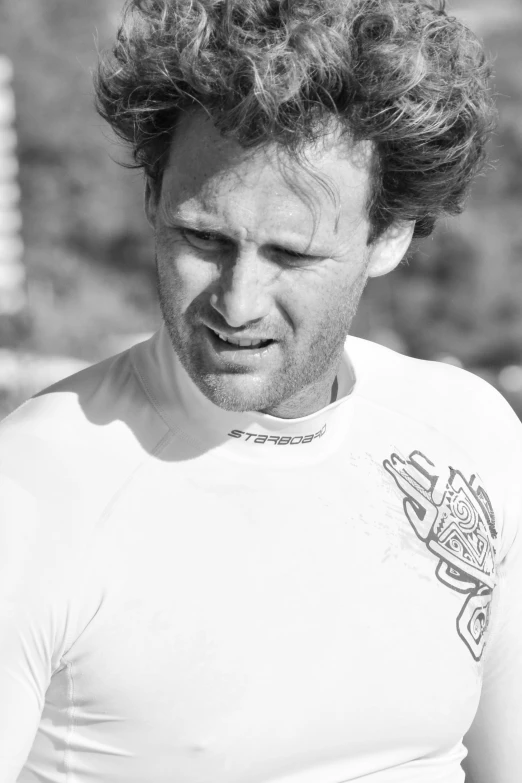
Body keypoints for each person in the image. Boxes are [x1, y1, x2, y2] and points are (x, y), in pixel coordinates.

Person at [0, 0, 519, 781]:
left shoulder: (469, 430)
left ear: (389, 238)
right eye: (202, 238)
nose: (237, 303)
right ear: (153, 202)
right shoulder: (35, 484)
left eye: (292, 254)